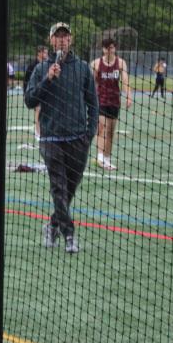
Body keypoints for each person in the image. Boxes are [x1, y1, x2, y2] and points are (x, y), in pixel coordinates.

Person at [24, 21, 98, 254]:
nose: (62, 40)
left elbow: (93, 103)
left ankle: (53, 225)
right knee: (59, 187)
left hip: (78, 139)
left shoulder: (82, 68)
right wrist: (48, 79)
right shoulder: (41, 69)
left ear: (71, 40)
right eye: (58, 36)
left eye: (65, 36)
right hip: (51, 139)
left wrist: (89, 133)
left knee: (69, 189)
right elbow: (30, 100)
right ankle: (69, 235)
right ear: (51, 40)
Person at [90, 38, 132, 171]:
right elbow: (91, 83)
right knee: (101, 128)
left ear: (115, 48)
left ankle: (107, 158)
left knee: (110, 132)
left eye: (112, 47)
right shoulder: (96, 63)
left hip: (114, 101)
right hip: (100, 100)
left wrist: (129, 96)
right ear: (103, 49)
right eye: (107, 48)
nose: (110, 50)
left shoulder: (121, 63)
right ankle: (100, 157)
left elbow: (125, 80)